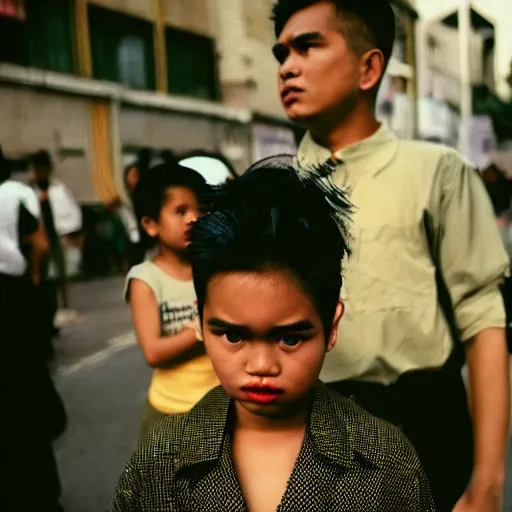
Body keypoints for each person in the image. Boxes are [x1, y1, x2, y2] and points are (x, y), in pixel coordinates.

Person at [271, 1, 510, 510]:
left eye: (308, 45)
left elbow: (484, 320)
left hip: (424, 431)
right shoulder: (271, 190)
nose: (287, 66)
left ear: (369, 67)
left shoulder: (438, 172)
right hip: (308, 436)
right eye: (281, 52)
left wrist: (487, 483)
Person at [111, 159, 434, 511]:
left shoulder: (386, 460)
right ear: (201, 322)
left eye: (290, 339)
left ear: (332, 325)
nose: (262, 365)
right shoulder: (157, 460)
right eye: (233, 337)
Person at [125, 162, 219, 437]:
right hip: (171, 411)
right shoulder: (145, 279)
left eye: (200, 209)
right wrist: (206, 326)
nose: (193, 218)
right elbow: (153, 351)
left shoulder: (216, 269)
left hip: (223, 404)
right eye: (180, 211)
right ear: (150, 225)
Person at [0, 146, 66, 511]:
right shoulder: (11, 196)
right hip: (11, 295)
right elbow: (39, 243)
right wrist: (35, 279)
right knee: (23, 389)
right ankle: (42, 491)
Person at [31, 149, 82, 338]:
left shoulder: (59, 189)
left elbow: (72, 211)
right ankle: (51, 311)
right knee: (46, 277)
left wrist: (71, 232)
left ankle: (66, 306)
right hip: (41, 237)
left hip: (58, 236)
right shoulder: (31, 191)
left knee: (61, 273)